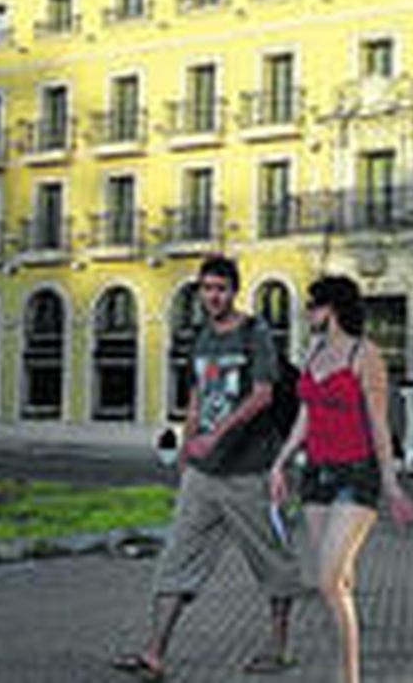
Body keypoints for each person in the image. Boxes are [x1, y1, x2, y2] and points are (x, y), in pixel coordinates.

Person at [112, 256, 303, 681]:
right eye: (206, 289)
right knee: (176, 558)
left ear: (234, 291)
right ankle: (154, 654)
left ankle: (279, 648)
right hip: (204, 474)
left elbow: (263, 395)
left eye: (220, 288)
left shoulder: (255, 333)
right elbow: (198, 392)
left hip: (250, 471)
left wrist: (217, 436)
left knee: (273, 562)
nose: (212, 296)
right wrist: (188, 438)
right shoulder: (200, 337)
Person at [268, 275, 413, 683]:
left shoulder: (365, 354)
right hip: (316, 474)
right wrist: (280, 462)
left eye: (313, 305)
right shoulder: (313, 352)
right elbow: (306, 416)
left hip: (356, 473)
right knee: (335, 580)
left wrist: (391, 484)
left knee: (329, 580)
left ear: (331, 308)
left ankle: (349, 677)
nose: (308, 313)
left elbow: (380, 424)